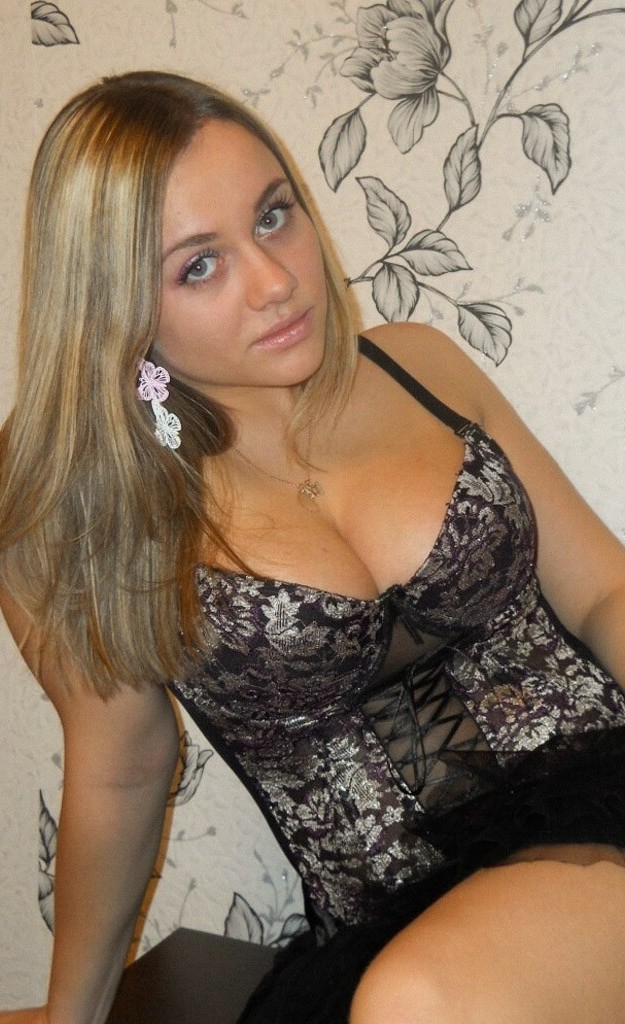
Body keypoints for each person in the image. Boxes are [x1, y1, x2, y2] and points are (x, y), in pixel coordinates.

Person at [0, 69, 624, 1024]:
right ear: (113, 307)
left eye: (273, 214)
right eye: (197, 266)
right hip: (387, 931)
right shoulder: (82, 510)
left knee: (417, 1004)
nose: (276, 280)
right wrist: (71, 1016)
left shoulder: (419, 366)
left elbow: (600, 593)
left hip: (597, 813)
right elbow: (120, 764)